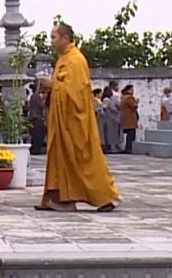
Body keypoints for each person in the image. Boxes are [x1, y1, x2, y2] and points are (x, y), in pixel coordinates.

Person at [35, 22, 118, 212]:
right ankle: (61, 198)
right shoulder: (64, 59)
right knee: (60, 159)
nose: (51, 42)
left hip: (74, 122)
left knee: (82, 159)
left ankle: (105, 198)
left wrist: (52, 84)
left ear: (65, 38)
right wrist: (52, 86)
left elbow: (74, 93)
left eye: (54, 37)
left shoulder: (75, 60)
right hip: (62, 123)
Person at [118, 85, 139, 155]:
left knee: (129, 133)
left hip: (124, 117)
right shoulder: (129, 97)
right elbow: (134, 106)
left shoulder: (123, 97)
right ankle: (129, 148)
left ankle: (128, 147)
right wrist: (136, 102)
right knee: (131, 133)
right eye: (132, 89)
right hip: (130, 117)